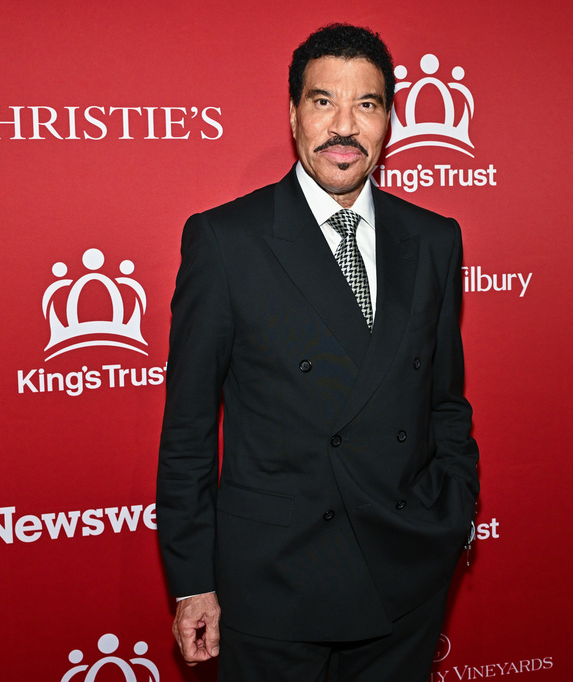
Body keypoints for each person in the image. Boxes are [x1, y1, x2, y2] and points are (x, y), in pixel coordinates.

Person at [156, 23, 480, 681]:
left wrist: (453, 512)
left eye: (366, 103)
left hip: (405, 575)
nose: (344, 125)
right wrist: (192, 579)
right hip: (278, 583)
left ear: (389, 120)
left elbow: (445, 398)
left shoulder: (435, 239)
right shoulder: (226, 241)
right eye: (323, 100)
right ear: (293, 115)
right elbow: (188, 431)